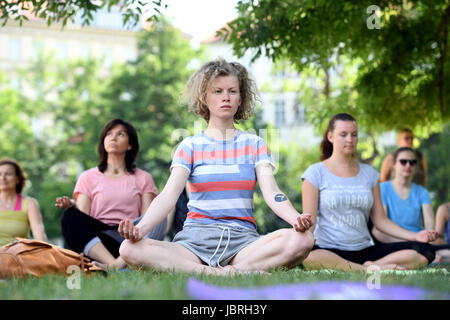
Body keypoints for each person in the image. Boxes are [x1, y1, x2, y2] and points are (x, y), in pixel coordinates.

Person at [117, 58, 315, 276]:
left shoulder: (255, 144)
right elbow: (167, 197)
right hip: (194, 243)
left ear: (241, 98)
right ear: (205, 98)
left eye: (232, 91)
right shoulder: (189, 146)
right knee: (129, 248)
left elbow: (273, 193)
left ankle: (225, 270)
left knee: (303, 239)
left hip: (243, 243)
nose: (226, 97)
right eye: (217, 91)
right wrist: (140, 229)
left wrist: (295, 218)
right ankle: (229, 273)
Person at [301, 113, 437, 271]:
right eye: (343, 135)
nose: (350, 140)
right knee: (309, 257)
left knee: (426, 249)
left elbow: (380, 220)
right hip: (329, 250)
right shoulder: (315, 173)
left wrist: (415, 236)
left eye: (354, 134)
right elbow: (309, 223)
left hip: (365, 250)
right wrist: (300, 243)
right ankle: (366, 269)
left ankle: (371, 266)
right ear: (330, 136)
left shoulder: (370, 174)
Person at [56, 119, 167, 269]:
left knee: (159, 214)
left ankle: (119, 264)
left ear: (130, 144)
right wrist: (73, 207)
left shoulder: (143, 177)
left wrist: (134, 235)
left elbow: (148, 219)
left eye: (120, 134)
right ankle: (113, 264)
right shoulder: (87, 177)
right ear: (103, 142)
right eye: (109, 134)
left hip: (132, 240)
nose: (113, 138)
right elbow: (82, 219)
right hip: (100, 245)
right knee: (70, 216)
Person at [371, 147, 435, 243]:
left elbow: (429, 224)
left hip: (419, 241)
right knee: (377, 231)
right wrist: (408, 240)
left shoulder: (422, 192)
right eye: (403, 161)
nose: (408, 165)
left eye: (412, 162)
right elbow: (380, 225)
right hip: (393, 239)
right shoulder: (382, 188)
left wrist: (429, 236)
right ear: (394, 164)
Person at [0, 159, 47, 247]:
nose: (3, 178)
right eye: (0, 174)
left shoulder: (29, 203)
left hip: (18, 257)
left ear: (18, 179)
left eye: (8, 174)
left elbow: (39, 234)